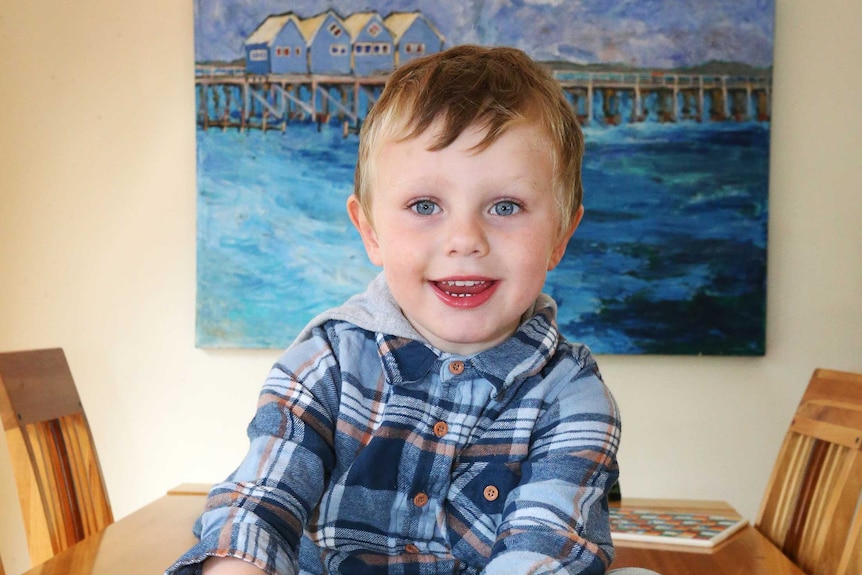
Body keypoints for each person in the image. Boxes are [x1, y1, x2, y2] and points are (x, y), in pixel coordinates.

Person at [167, 45, 646, 575]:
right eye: (425, 206)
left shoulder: (572, 396)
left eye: (505, 207)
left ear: (560, 235)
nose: (465, 239)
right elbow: (260, 498)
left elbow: (545, 549)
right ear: (370, 232)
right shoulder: (327, 361)